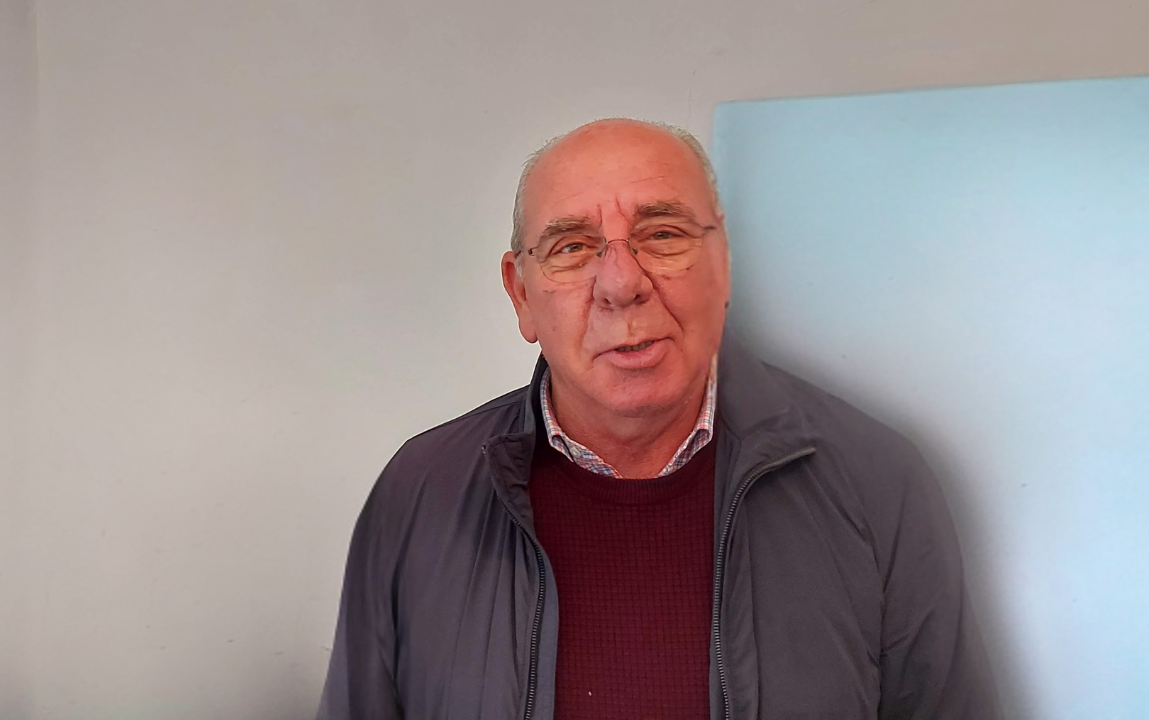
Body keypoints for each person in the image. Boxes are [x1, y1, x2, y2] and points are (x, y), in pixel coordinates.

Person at [315, 119, 999, 720]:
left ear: (721, 266)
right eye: (571, 247)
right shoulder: (418, 492)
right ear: (520, 295)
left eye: (662, 235)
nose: (621, 283)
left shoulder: (877, 483)